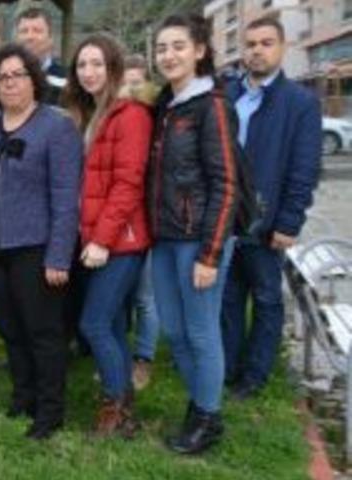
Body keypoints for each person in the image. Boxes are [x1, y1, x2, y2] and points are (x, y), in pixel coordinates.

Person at [0, 43, 82, 440]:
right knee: (10, 329)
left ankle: (50, 412)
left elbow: (66, 197)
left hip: (37, 248)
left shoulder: (56, 126)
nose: (9, 83)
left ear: (34, 80)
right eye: (2, 77)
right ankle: (23, 395)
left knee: (43, 332)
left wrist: (60, 255)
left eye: (18, 75)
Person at [148, 14, 240, 454]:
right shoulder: (167, 106)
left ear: (200, 50)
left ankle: (209, 418)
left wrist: (211, 253)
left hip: (199, 240)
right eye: (162, 47)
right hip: (165, 238)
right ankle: (201, 402)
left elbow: (226, 183)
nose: (168, 55)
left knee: (201, 332)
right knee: (174, 330)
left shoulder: (212, 106)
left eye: (178, 46)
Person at [221, 17, 322, 400]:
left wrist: (290, 220)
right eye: (250, 44)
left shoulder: (299, 103)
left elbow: (304, 168)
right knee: (229, 298)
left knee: (265, 298)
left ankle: (255, 375)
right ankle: (228, 368)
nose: (256, 50)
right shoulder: (227, 94)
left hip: (267, 221)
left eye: (266, 43)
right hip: (227, 218)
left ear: (282, 48)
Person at [63, 34, 152, 438]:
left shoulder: (129, 114)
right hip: (97, 238)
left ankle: (114, 407)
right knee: (112, 324)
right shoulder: (92, 113)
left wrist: (101, 240)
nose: (89, 72)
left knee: (94, 323)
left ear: (113, 67)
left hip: (120, 241)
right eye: (82, 65)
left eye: (97, 64)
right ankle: (123, 409)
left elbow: (127, 183)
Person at [122, 53, 160, 391]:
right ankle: (121, 357)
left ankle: (144, 358)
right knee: (123, 295)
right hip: (124, 219)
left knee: (146, 297)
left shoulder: (157, 115)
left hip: (150, 218)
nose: (131, 88)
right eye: (125, 81)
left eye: (137, 81)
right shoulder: (115, 115)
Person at [14, 7, 66, 104]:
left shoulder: (65, 81)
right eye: (24, 31)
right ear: (16, 39)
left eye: (37, 31)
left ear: (51, 38)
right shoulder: (4, 79)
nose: (29, 37)